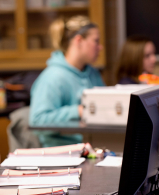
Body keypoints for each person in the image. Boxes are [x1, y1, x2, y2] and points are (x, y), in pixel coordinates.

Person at [29, 15, 105, 147]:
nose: (100, 47)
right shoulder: (52, 77)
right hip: (64, 153)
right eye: (96, 41)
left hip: (94, 146)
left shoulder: (93, 73)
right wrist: (78, 111)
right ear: (79, 40)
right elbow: (37, 121)